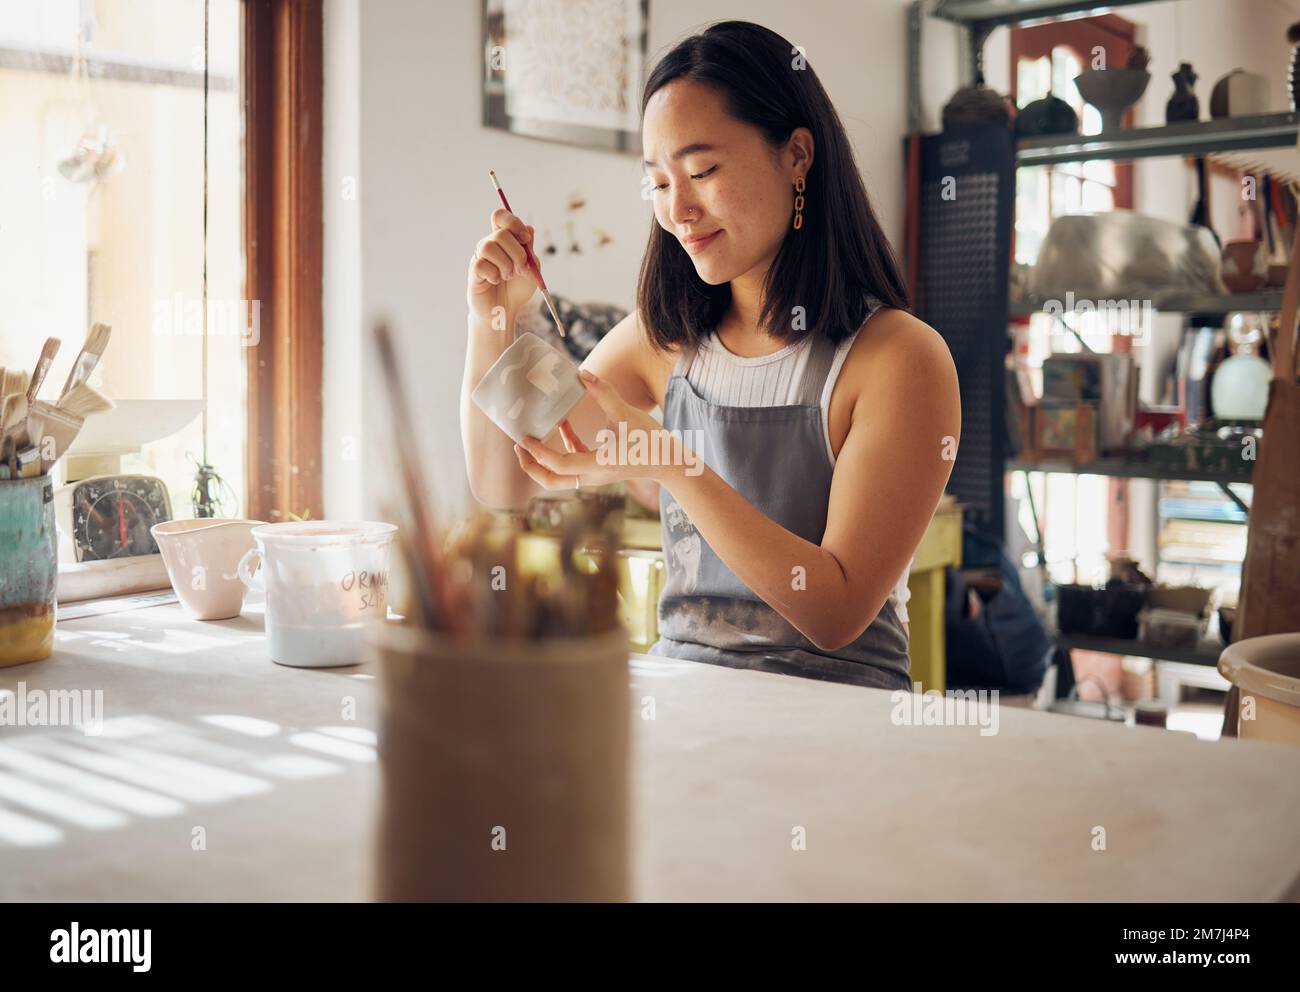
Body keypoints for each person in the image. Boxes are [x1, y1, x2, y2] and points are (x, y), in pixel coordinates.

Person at [461, 20, 960, 690]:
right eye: (660, 183)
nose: (680, 210)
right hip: (687, 702)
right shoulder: (665, 338)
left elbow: (836, 612)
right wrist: (495, 317)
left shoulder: (899, 358)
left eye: (702, 171)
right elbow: (507, 481)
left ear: (798, 156)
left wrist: (672, 462)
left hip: (839, 721)